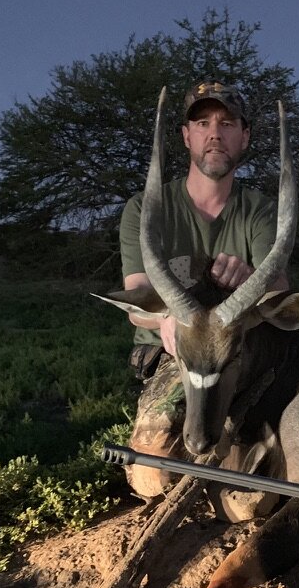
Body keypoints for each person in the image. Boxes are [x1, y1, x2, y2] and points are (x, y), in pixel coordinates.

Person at [119, 80, 288, 500]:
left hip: (241, 355)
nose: (215, 132)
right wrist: (164, 319)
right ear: (186, 135)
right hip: (177, 356)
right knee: (152, 475)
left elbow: (281, 292)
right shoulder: (146, 208)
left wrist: (251, 276)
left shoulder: (261, 211)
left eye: (227, 123)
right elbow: (137, 297)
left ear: (244, 137)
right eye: (202, 122)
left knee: (260, 492)